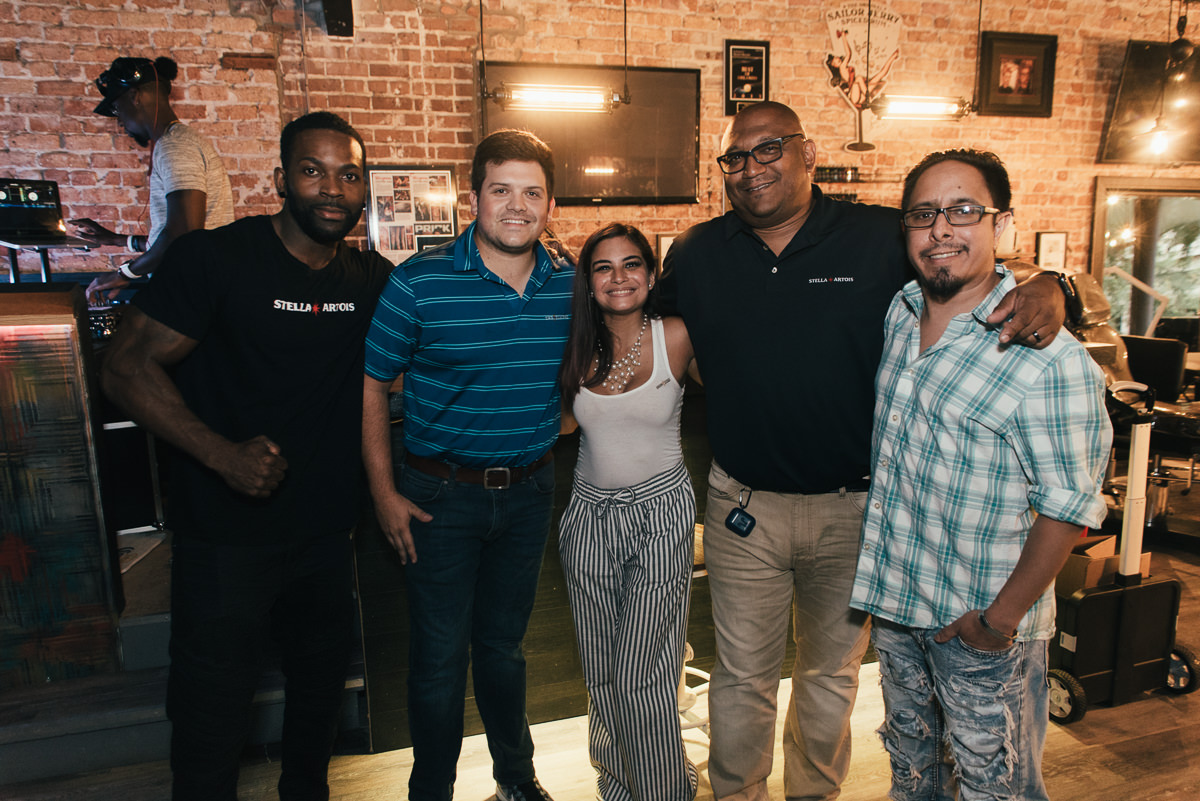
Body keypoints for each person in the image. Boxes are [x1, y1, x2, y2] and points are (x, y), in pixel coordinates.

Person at [658, 101, 1071, 801]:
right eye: (735, 157)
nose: (751, 168)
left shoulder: (879, 234)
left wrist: (1052, 286)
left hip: (857, 511)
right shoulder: (698, 251)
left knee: (830, 677)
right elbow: (653, 331)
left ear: (808, 153)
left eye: (769, 149)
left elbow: (974, 270)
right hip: (742, 507)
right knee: (742, 675)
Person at [101, 111, 391, 801]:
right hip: (224, 537)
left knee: (317, 708)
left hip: (324, 535)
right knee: (211, 717)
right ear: (281, 180)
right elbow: (124, 366)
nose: (332, 189)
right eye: (313, 171)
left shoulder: (369, 279)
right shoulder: (216, 259)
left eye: (349, 175)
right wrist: (221, 454)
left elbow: (438, 335)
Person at [850, 149, 1111, 800]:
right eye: (923, 214)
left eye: (964, 210)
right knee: (914, 776)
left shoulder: (1048, 356)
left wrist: (996, 624)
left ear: (1003, 224)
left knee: (996, 790)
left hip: (982, 631)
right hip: (899, 608)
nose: (941, 228)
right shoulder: (901, 313)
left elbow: (1069, 508)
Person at [361, 129, 570, 801]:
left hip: (528, 494)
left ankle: (516, 780)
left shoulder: (570, 284)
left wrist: (555, 422)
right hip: (438, 498)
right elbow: (372, 384)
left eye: (532, 193)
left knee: (505, 649)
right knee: (439, 659)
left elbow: (590, 369)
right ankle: (432, 791)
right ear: (472, 198)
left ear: (551, 205)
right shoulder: (418, 282)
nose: (517, 205)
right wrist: (384, 492)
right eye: (501, 190)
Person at [557, 223, 699, 801]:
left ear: (651, 273)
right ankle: (617, 786)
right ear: (588, 282)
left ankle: (665, 790)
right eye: (603, 267)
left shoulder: (677, 335)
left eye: (632, 263)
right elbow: (561, 425)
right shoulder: (574, 344)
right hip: (588, 517)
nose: (619, 277)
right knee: (601, 672)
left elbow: (747, 385)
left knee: (645, 675)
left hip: (660, 514)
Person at [73, 56, 234, 304]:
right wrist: (116, 239)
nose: (120, 121)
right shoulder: (176, 141)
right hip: (197, 288)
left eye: (116, 108)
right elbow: (174, 233)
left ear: (135, 96)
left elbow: (183, 234)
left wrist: (124, 273)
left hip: (195, 293)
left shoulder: (175, 146)